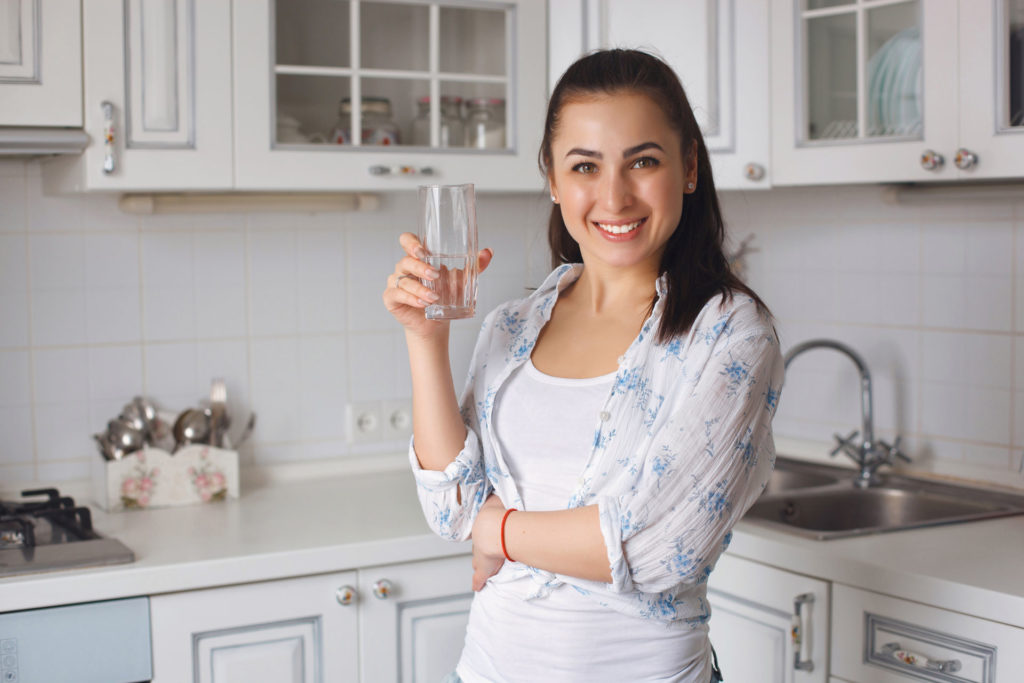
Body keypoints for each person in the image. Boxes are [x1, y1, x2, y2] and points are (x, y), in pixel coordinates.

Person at [383, 49, 784, 683]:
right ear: (552, 178)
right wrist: (424, 340)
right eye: (585, 166)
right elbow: (450, 507)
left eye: (643, 161)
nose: (614, 196)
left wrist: (497, 531)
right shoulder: (512, 326)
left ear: (688, 168)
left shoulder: (730, 334)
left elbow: (658, 549)